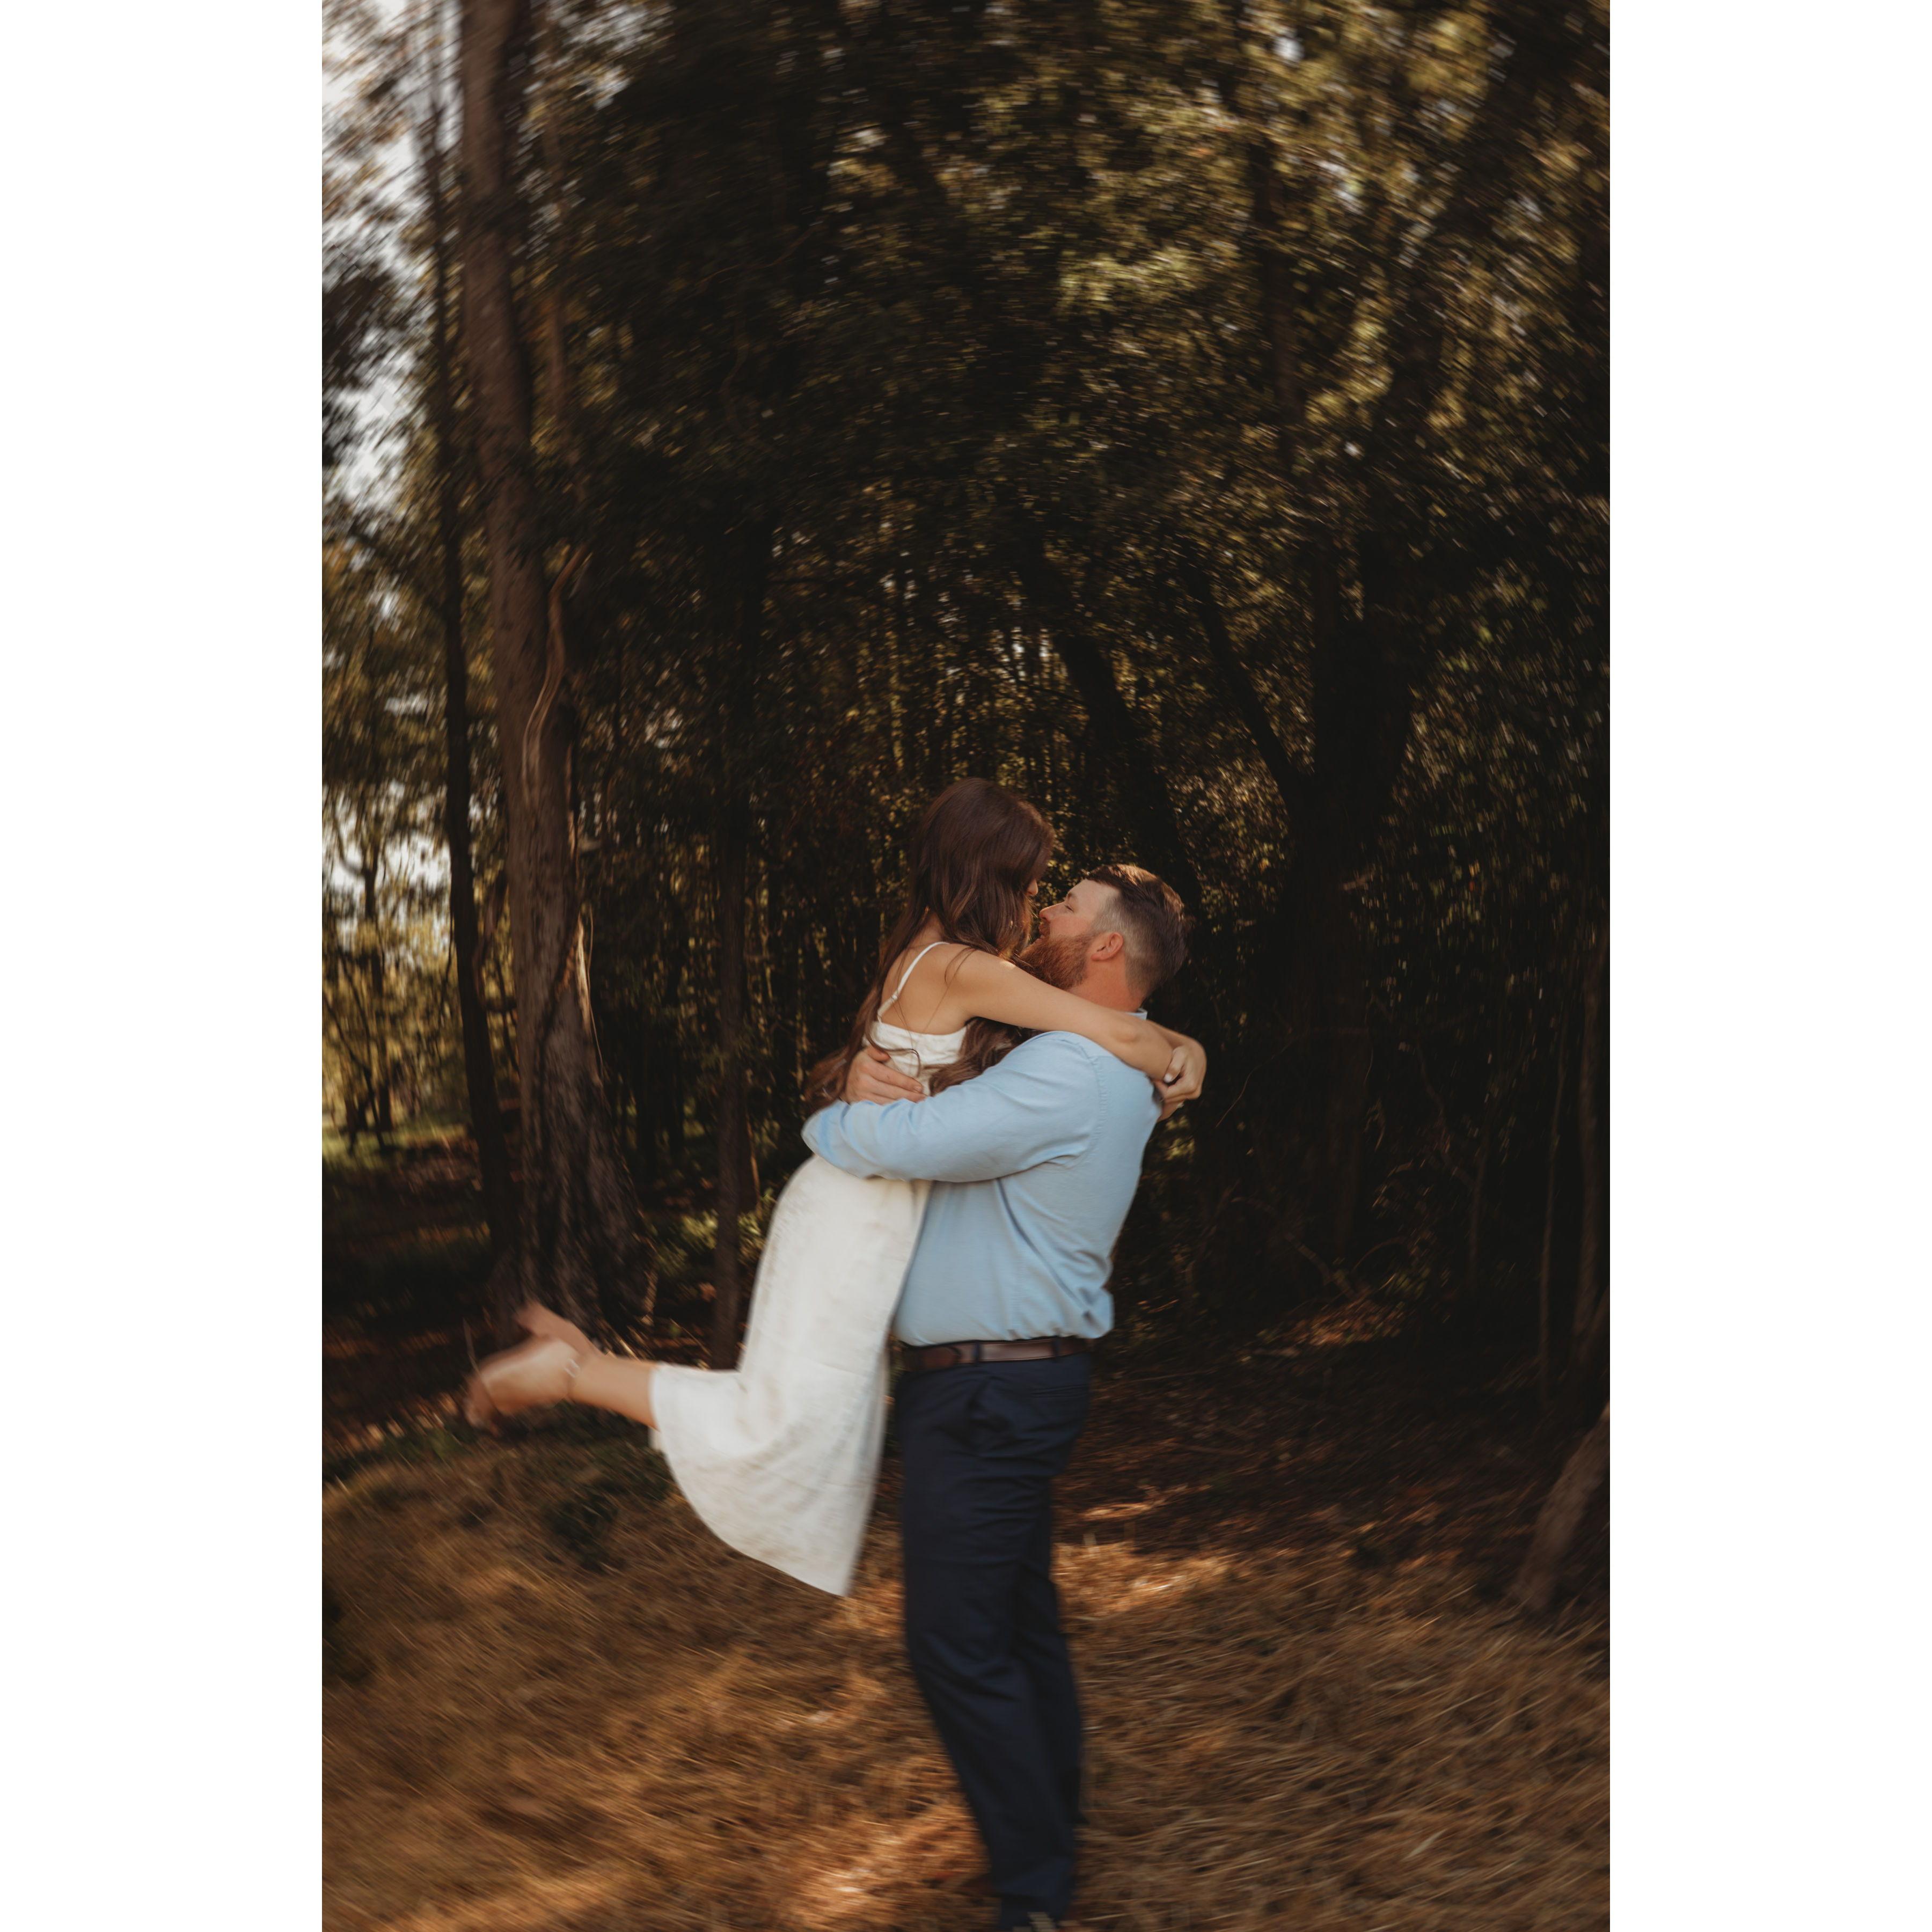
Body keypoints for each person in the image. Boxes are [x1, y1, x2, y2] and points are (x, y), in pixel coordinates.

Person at [464, 781, 1205, 1605]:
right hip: (856, 1203)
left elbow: (1085, 1038)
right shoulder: (960, 966)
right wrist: (1186, 1055)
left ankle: (577, 1363)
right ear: (990, 877)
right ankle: (569, 1371)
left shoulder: (939, 959)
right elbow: (1111, 1029)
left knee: (804, 1416)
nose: (1035, 909)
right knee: (780, 1416)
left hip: (870, 1203)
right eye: (1032, 887)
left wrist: (1175, 1053)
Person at [804, 860, 1191, 1932]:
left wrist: (833, 1113)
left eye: (1067, 907)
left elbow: (901, 1146)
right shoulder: (1106, 1058)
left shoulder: (1066, 1068)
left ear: (1105, 946)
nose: (1043, 915)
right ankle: (1052, 1837)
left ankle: (1034, 1894)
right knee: (1019, 1627)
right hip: (1020, 1381)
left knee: (953, 1645)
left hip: (986, 1392)